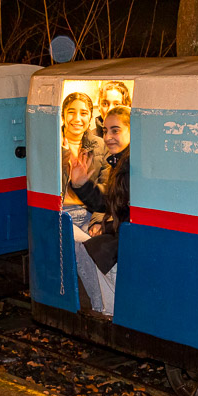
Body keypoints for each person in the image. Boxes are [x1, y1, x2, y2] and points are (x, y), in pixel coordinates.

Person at [69, 106, 131, 316]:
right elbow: (112, 203)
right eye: (105, 131)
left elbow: (114, 205)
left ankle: (110, 312)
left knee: (96, 248)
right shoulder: (121, 161)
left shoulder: (129, 164)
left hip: (130, 240)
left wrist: (83, 186)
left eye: (115, 130)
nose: (108, 137)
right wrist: (82, 184)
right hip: (125, 234)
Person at [60, 92, 108, 236]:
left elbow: (106, 188)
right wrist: (64, 154)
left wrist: (98, 220)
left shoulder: (101, 145)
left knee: (103, 245)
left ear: (90, 118)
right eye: (71, 112)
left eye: (83, 113)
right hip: (61, 215)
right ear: (62, 116)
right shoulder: (52, 143)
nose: (77, 119)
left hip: (90, 214)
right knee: (84, 246)